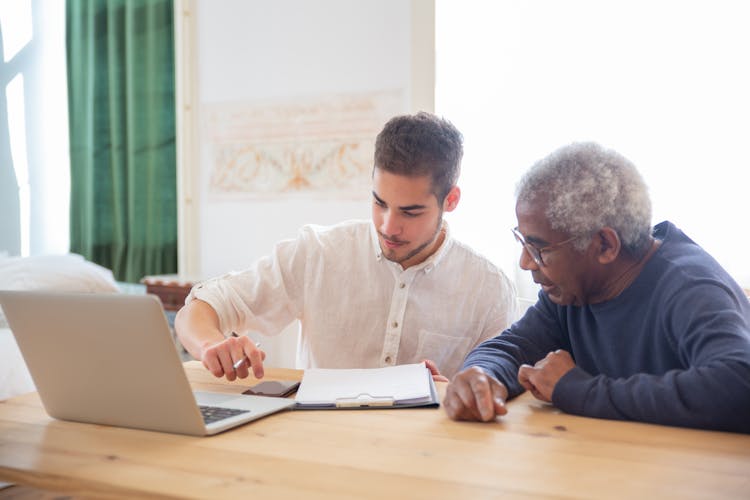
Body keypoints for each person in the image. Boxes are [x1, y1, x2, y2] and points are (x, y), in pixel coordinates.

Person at [175, 112, 517, 383]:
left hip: (425, 457)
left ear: (451, 200)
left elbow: (496, 388)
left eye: (410, 212)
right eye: (379, 202)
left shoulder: (488, 288)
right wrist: (211, 345)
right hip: (319, 450)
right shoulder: (318, 253)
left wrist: (456, 394)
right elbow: (200, 307)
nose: (388, 226)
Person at [443, 141, 750, 433]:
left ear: (605, 245)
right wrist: (483, 375)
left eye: (539, 249)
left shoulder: (690, 288)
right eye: (523, 242)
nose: (526, 263)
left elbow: (738, 385)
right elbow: (514, 347)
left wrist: (577, 390)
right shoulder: (571, 291)